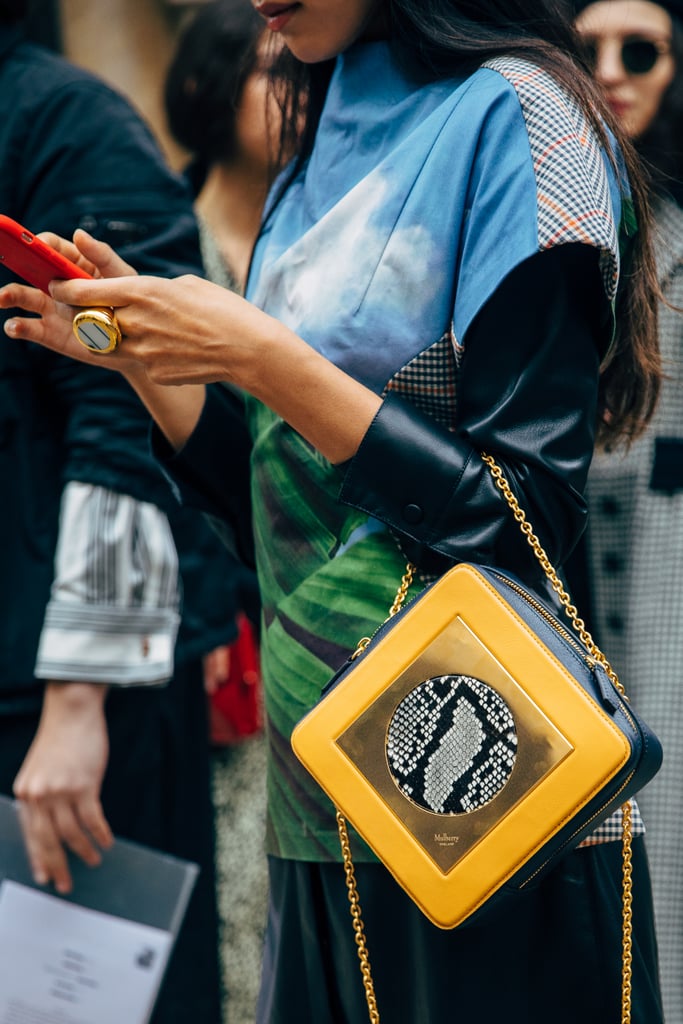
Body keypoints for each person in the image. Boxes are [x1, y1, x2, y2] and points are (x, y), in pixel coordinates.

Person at [0, 0, 666, 1020]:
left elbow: (525, 516)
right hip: (319, 786)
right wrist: (146, 361)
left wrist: (259, 355)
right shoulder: (319, 128)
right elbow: (285, 509)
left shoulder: (520, 118)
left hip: (483, 783)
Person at [0, 4, 232, 1021]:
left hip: (70, 696)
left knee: (88, 1002)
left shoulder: (61, 119)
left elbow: (126, 403)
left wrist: (78, 698)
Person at [569, 2, 683, 1020]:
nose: (610, 72)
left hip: (663, 566)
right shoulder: (536, 214)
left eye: (637, 51)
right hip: (545, 562)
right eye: (586, 48)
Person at [164, 3, 275, 1019]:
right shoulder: (172, 238)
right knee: (241, 861)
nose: (288, 90)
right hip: (223, 612)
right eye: (261, 69)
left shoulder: (319, 229)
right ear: (208, 87)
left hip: (326, 596)